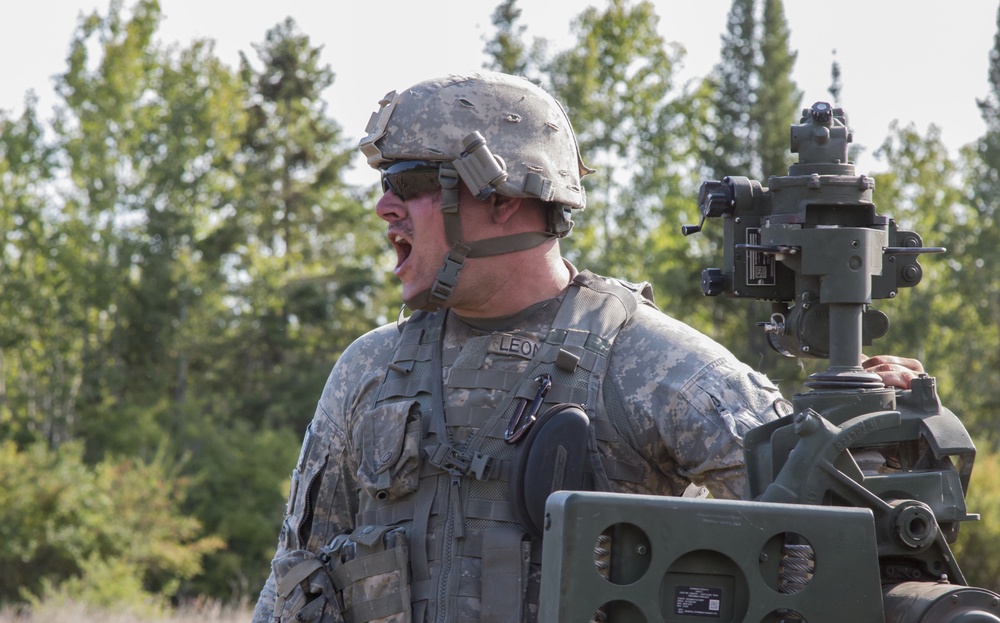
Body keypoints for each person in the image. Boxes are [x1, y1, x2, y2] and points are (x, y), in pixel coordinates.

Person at [251, 71, 925, 623]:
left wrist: (861, 424)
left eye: (409, 183)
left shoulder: (646, 361)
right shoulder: (368, 371)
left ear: (503, 197)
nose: (384, 208)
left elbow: (822, 555)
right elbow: (299, 583)